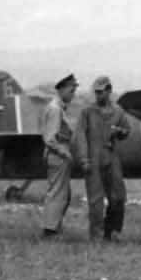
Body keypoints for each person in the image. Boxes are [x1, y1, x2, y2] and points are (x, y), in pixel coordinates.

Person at [76, 75, 131, 240]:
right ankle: (97, 236)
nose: (98, 95)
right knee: (95, 200)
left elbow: (126, 130)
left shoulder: (118, 111)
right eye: (96, 92)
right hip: (93, 158)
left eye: (101, 92)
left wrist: (120, 132)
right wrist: (84, 159)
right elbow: (80, 137)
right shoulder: (87, 112)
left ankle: (113, 231)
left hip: (111, 156)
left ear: (109, 91)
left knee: (119, 196)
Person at [39, 73, 80, 237]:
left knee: (64, 194)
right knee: (57, 193)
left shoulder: (58, 107)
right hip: (58, 154)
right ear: (62, 89)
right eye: (71, 90)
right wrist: (64, 153)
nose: (73, 94)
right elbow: (50, 138)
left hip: (58, 154)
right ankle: (50, 231)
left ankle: (54, 227)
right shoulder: (56, 109)